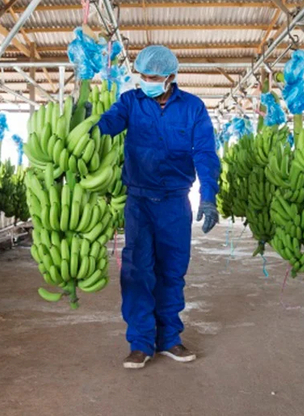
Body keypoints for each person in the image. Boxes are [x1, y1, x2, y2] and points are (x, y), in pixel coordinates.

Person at [96, 45, 220, 370]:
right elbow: (109, 123)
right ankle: (140, 343)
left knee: (172, 272)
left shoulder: (192, 108)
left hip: (175, 202)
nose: (147, 81)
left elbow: (205, 152)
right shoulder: (130, 102)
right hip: (138, 201)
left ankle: (169, 339)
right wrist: (90, 125)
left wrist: (209, 195)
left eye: (153, 77)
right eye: (143, 76)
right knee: (137, 271)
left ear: (170, 77)